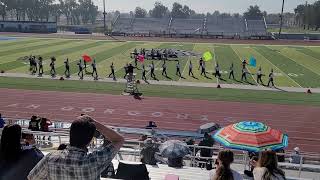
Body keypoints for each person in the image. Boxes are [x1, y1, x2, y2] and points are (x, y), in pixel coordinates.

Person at [28, 115, 124, 180]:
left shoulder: (50, 158)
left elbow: (31, 178)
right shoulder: (94, 160)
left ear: (71, 134)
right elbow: (119, 140)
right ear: (90, 140)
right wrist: (94, 122)